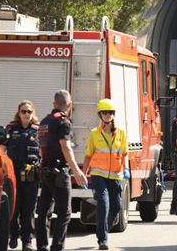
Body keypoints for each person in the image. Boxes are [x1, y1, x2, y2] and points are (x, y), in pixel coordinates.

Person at [37, 90, 87, 251]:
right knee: (65, 212)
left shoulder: (44, 121)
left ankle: (42, 246)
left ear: (54, 104)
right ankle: (57, 247)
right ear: (69, 105)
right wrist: (77, 171)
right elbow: (65, 147)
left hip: (45, 170)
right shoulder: (63, 122)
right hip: (59, 172)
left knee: (44, 211)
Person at [82, 99, 128, 250]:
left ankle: (104, 228)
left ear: (114, 114)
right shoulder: (94, 134)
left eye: (110, 113)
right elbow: (88, 156)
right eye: (105, 113)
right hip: (98, 175)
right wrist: (83, 175)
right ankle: (102, 239)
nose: (108, 115)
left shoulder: (121, 134)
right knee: (103, 203)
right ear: (100, 115)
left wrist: (126, 169)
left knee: (116, 207)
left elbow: (124, 154)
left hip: (116, 176)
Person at [6, 101, 40, 251]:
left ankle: (27, 241)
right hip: (14, 173)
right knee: (14, 208)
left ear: (33, 113)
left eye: (29, 111)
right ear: (18, 113)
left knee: (29, 210)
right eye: (23, 111)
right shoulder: (11, 129)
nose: (26, 114)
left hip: (31, 174)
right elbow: (1, 147)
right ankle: (13, 236)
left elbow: (44, 151)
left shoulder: (38, 131)